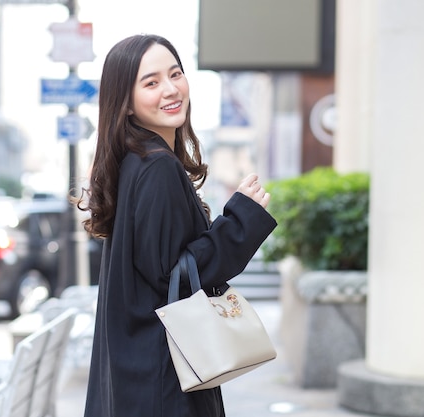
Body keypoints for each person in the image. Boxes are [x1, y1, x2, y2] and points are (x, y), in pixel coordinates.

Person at [76, 34, 277, 417]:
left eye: (176, 74)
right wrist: (241, 221)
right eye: (151, 83)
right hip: (164, 378)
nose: (170, 90)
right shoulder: (156, 166)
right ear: (127, 104)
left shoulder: (135, 162)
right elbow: (176, 276)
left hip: (140, 372)